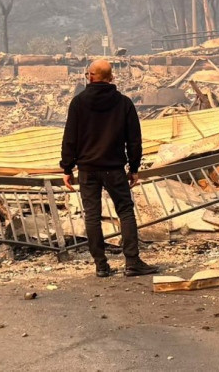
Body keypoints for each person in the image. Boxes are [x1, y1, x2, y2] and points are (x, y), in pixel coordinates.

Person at [60, 60, 158, 278]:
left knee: (92, 215)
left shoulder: (78, 103)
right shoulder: (124, 103)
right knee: (125, 211)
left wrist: (67, 167)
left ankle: (101, 265)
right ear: (111, 77)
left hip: (87, 169)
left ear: (90, 77)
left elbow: (70, 138)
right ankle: (132, 262)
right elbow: (134, 140)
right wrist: (133, 167)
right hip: (114, 168)